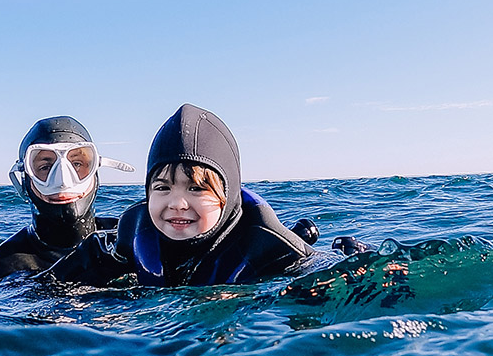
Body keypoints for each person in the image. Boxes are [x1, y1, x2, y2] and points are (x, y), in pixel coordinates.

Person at [42, 104, 318, 287]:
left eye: (196, 188)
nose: (176, 203)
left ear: (228, 192)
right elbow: (46, 288)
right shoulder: (134, 230)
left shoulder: (269, 243)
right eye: (162, 187)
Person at [0, 116, 135, 279]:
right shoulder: (4, 264)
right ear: (25, 181)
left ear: (95, 172)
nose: (63, 181)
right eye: (45, 167)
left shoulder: (129, 236)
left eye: (77, 164)